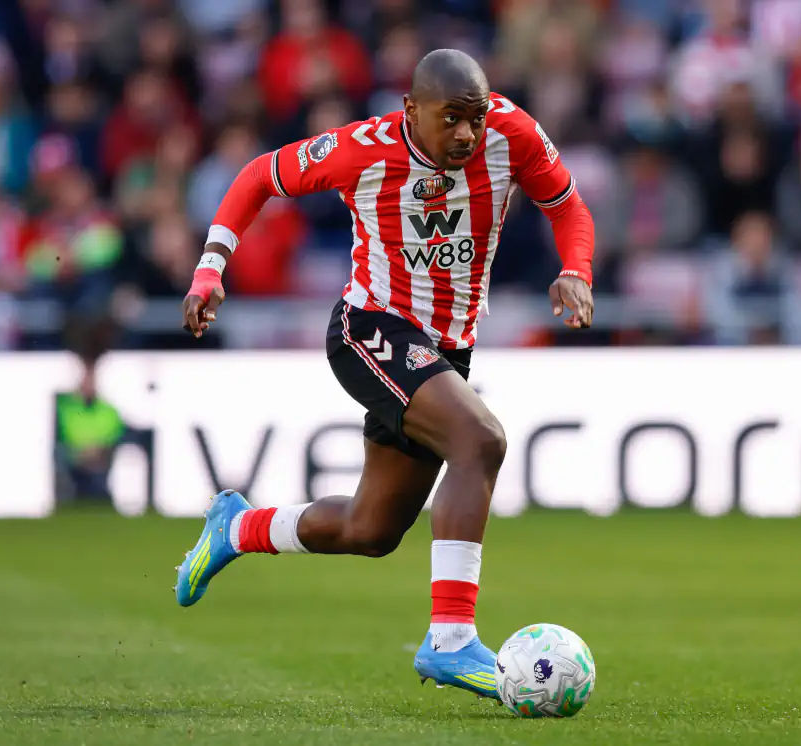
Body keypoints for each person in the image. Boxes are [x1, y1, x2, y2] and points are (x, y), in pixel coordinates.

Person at [174, 49, 595, 700]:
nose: (465, 133)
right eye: (450, 118)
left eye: (473, 119)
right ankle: (451, 640)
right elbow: (259, 175)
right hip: (371, 328)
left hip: (446, 349)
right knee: (479, 439)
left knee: (371, 530)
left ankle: (235, 528)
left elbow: (568, 207)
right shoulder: (363, 149)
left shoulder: (511, 132)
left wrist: (576, 269)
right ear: (411, 111)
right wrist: (210, 267)